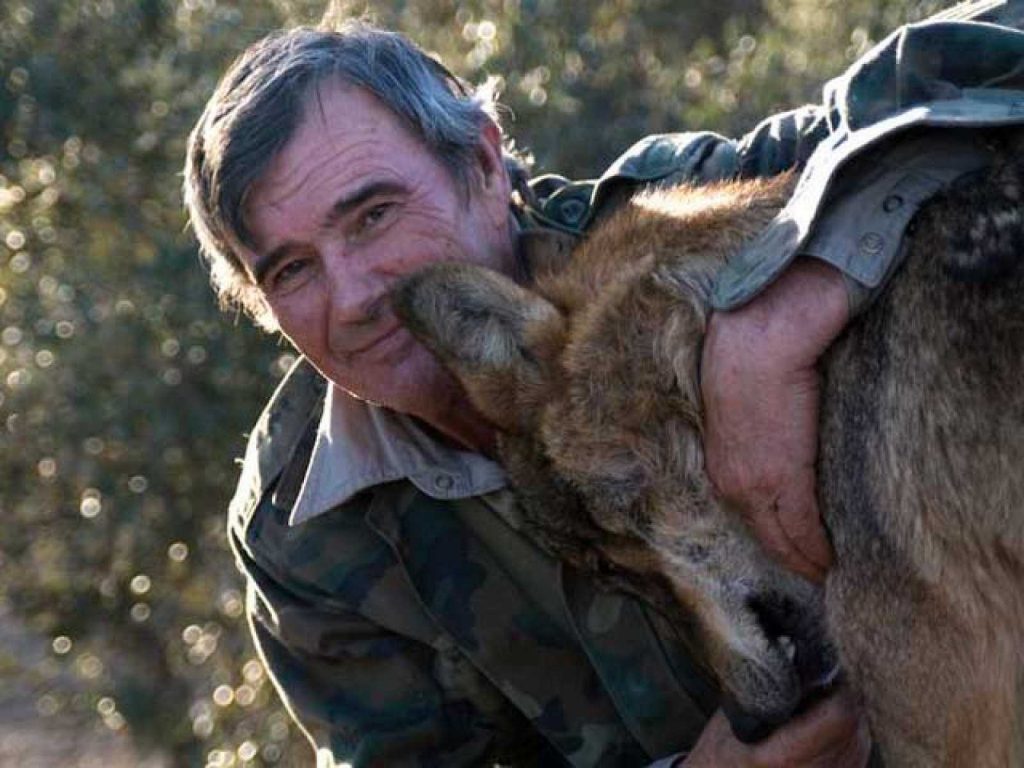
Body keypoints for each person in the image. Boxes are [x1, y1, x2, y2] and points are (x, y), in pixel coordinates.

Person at [182, 3, 1023, 765]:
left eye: (373, 214)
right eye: (292, 270)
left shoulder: (675, 216)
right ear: (260, 307)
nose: (356, 295)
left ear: (483, 162)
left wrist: (809, 286)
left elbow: (997, 40)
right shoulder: (300, 534)